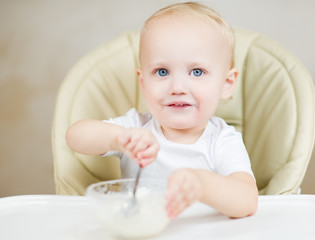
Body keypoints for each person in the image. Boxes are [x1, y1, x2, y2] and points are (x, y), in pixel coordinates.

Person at [66, 2, 258, 219]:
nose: (177, 88)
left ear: (226, 83)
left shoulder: (222, 140)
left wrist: (202, 184)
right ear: (143, 81)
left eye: (197, 72)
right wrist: (118, 139)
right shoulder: (136, 128)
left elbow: (248, 200)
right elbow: (75, 136)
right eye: (162, 71)